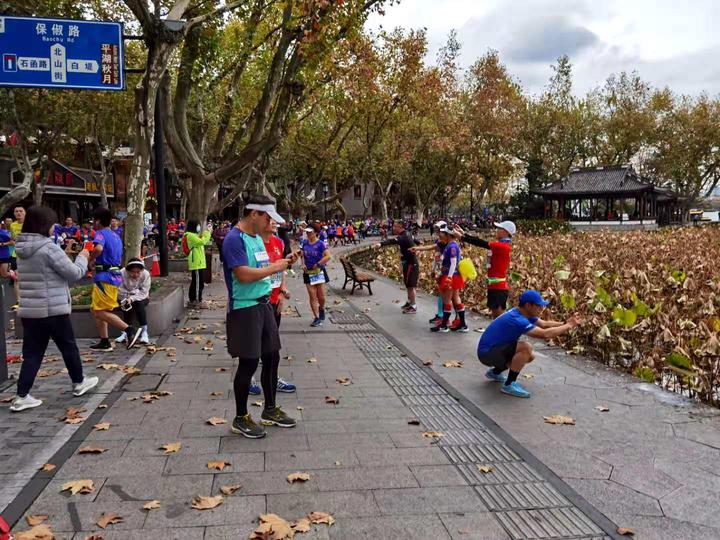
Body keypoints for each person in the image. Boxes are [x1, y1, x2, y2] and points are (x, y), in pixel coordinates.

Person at [222, 195, 298, 438]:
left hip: (264, 304)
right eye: (268, 218)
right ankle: (241, 416)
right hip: (245, 308)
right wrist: (276, 267)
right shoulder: (234, 239)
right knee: (249, 362)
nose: (270, 223)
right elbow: (243, 274)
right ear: (253, 214)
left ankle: (270, 409)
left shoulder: (256, 238)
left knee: (272, 357)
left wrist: (283, 264)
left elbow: (262, 271)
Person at [9, 206, 98, 412]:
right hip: (53, 309)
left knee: (32, 353)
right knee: (68, 347)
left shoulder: (22, 248)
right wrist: (84, 255)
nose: (54, 228)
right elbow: (74, 273)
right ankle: (79, 382)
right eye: (52, 224)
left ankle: (22, 395)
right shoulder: (48, 248)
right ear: (44, 225)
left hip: (31, 310)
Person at [478, 290, 583, 398]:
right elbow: (544, 334)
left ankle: (495, 372)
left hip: (492, 350)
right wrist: (569, 326)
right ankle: (509, 385)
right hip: (487, 354)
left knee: (529, 356)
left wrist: (565, 323)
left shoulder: (522, 312)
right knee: (526, 348)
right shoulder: (517, 319)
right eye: (538, 306)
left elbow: (544, 324)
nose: (541, 308)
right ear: (528, 305)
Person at [248, 216, 297, 395]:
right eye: (271, 219)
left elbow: (280, 269)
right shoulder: (253, 243)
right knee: (255, 341)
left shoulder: (278, 242)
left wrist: (283, 291)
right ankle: (249, 378)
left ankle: (272, 379)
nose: (275, 222)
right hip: (258, 301)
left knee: (272, 343)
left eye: (277, 220)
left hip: (275, 300)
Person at [88, 207, 142, 351]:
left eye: (94, 220)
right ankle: (104, 340)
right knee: (98, 309)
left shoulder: (100, 234)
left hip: (104, 277)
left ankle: (129, 329)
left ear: (98, 221)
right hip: (113, 275)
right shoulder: (115, 236)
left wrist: (90, 259)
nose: (93, 223)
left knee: (99, 311)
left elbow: (98, 249)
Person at [456, 221, 515, 318]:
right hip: (494, 285)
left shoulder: (501, 246)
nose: (497, 231)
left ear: (506, 232)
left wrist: (462, 237)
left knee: (499, 318)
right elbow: (479, 241)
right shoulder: (501, 245)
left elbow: (481, 243)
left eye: (499, 229)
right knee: (495, 316)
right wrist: (463, 234)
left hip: (498, 287)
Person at [375, 221, 420, 314]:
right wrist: (418, 242)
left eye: (395, 226)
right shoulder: (407, 233)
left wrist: (380, 244)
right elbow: (414, 238)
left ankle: (413, 306)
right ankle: (409, 302)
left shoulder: (403, 236)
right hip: (407, 263)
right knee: (408, 284)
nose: (393, 228)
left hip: (411, 264)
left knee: (411, 286)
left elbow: (392, 241)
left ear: (400, 227)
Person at [430, 226, 467, 333]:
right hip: (454, 276)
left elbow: (453, 262)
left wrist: (449, 278)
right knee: (456, 299)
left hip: (450, 276)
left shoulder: (452, 246)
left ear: (448, 235)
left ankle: (444, 325)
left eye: (442, 233)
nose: (440, 234)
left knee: (447, 301)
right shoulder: (451, 245)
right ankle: (463, 324)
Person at [411, 220, 447, 323]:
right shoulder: (439, 242)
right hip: (440, 270)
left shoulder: (450, 244)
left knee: (449, 295)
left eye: (439, 230)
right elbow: (433, 250)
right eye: (437, 230)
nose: (437, 232)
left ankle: (447, 317)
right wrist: (434, 269)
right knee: (441, 293)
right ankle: (441, 314)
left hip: (447, 272)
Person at [115, 258, 151, 345]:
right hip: (124, 296)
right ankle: (125, 332)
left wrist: (132, 297)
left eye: (138, 272)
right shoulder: (121, 273)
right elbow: (118, 290)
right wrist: (129, 297)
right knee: (126, 305)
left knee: (139, 305)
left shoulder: (146, 274)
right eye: (132, 272)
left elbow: (144, 292)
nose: (135, 274)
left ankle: (144, 332)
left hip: (141, 297)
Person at [301, 226, 331, 327]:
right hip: (308, 273)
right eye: (307, 232)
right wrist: (303, 263)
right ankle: (316, 317)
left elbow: (328, 256)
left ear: (316, 233)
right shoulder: (304, 243)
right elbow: (302, 255)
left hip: (319, 272)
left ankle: (321, 308)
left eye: (310, 232)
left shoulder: (320, 244)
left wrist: (318, 263)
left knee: (321, 297)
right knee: (312, 296)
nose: (308, 234)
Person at [184, 219, 212, 308]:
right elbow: (202, 241)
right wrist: (208, 232)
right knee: (197, 283)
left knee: (197, 282)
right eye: (198, 225)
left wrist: (206, 232)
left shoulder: (193, 235)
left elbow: (201, 239)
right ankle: (196, 301)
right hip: (196, 262)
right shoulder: (190, 235)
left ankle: (194, 300)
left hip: (198, 262)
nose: (199, 227)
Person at [9, 206, 25, 308]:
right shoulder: (12, 225)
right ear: (14, 214)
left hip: (28, 255)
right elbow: (13, 239)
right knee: (16, 278)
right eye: (16, 211)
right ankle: (19, 301)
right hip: (16, 254)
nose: (18, 213)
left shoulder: (29, 224)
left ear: (25, 213)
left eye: (21, 211)